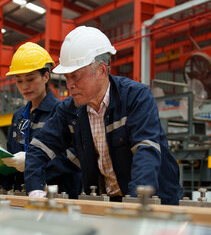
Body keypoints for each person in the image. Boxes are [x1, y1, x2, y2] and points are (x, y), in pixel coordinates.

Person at [24, 26, 182, 204]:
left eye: (75, 76)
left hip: (155, 201)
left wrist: (137, 203)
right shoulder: (69, 109)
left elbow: (146, 151)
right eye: (67, 77)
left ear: (101, 71)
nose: (70, 85)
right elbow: (38, 149)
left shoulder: (135, 98)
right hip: (107, 201)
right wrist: (35, 190)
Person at [0, 42, 81, 198]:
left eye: (30, 79)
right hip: (23, 194)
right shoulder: (19, 117)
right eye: (19, 81)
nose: (24, 86)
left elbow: (75, 155)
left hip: (58, 194)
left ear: (45, 76)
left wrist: (34, 165)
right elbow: (11, 155)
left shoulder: (62, 112)